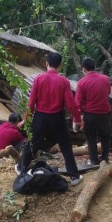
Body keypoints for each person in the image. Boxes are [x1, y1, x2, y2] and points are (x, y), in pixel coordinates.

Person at [19, 52, 84, 186]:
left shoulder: (38, 79)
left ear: (46, 64)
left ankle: (21, 169)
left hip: (40, 117)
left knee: (33, 143)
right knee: (66, 147)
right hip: (57, 118)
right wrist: (78, 119)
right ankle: (74, 177)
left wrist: (26, 118)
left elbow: (31, 103)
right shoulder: (64, 81)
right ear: (60, 65)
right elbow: (70, 103)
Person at [75, 57, 112, 166]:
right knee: (105, 137)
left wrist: (77, 118)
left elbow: (78, 102)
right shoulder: (106, 79)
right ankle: (105, 159)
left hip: (90, 115)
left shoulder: (82, 82)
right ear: (94, 67)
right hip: (104, 114)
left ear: (83, 69)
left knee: (91, 139)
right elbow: (108, 93)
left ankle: (94, 161)